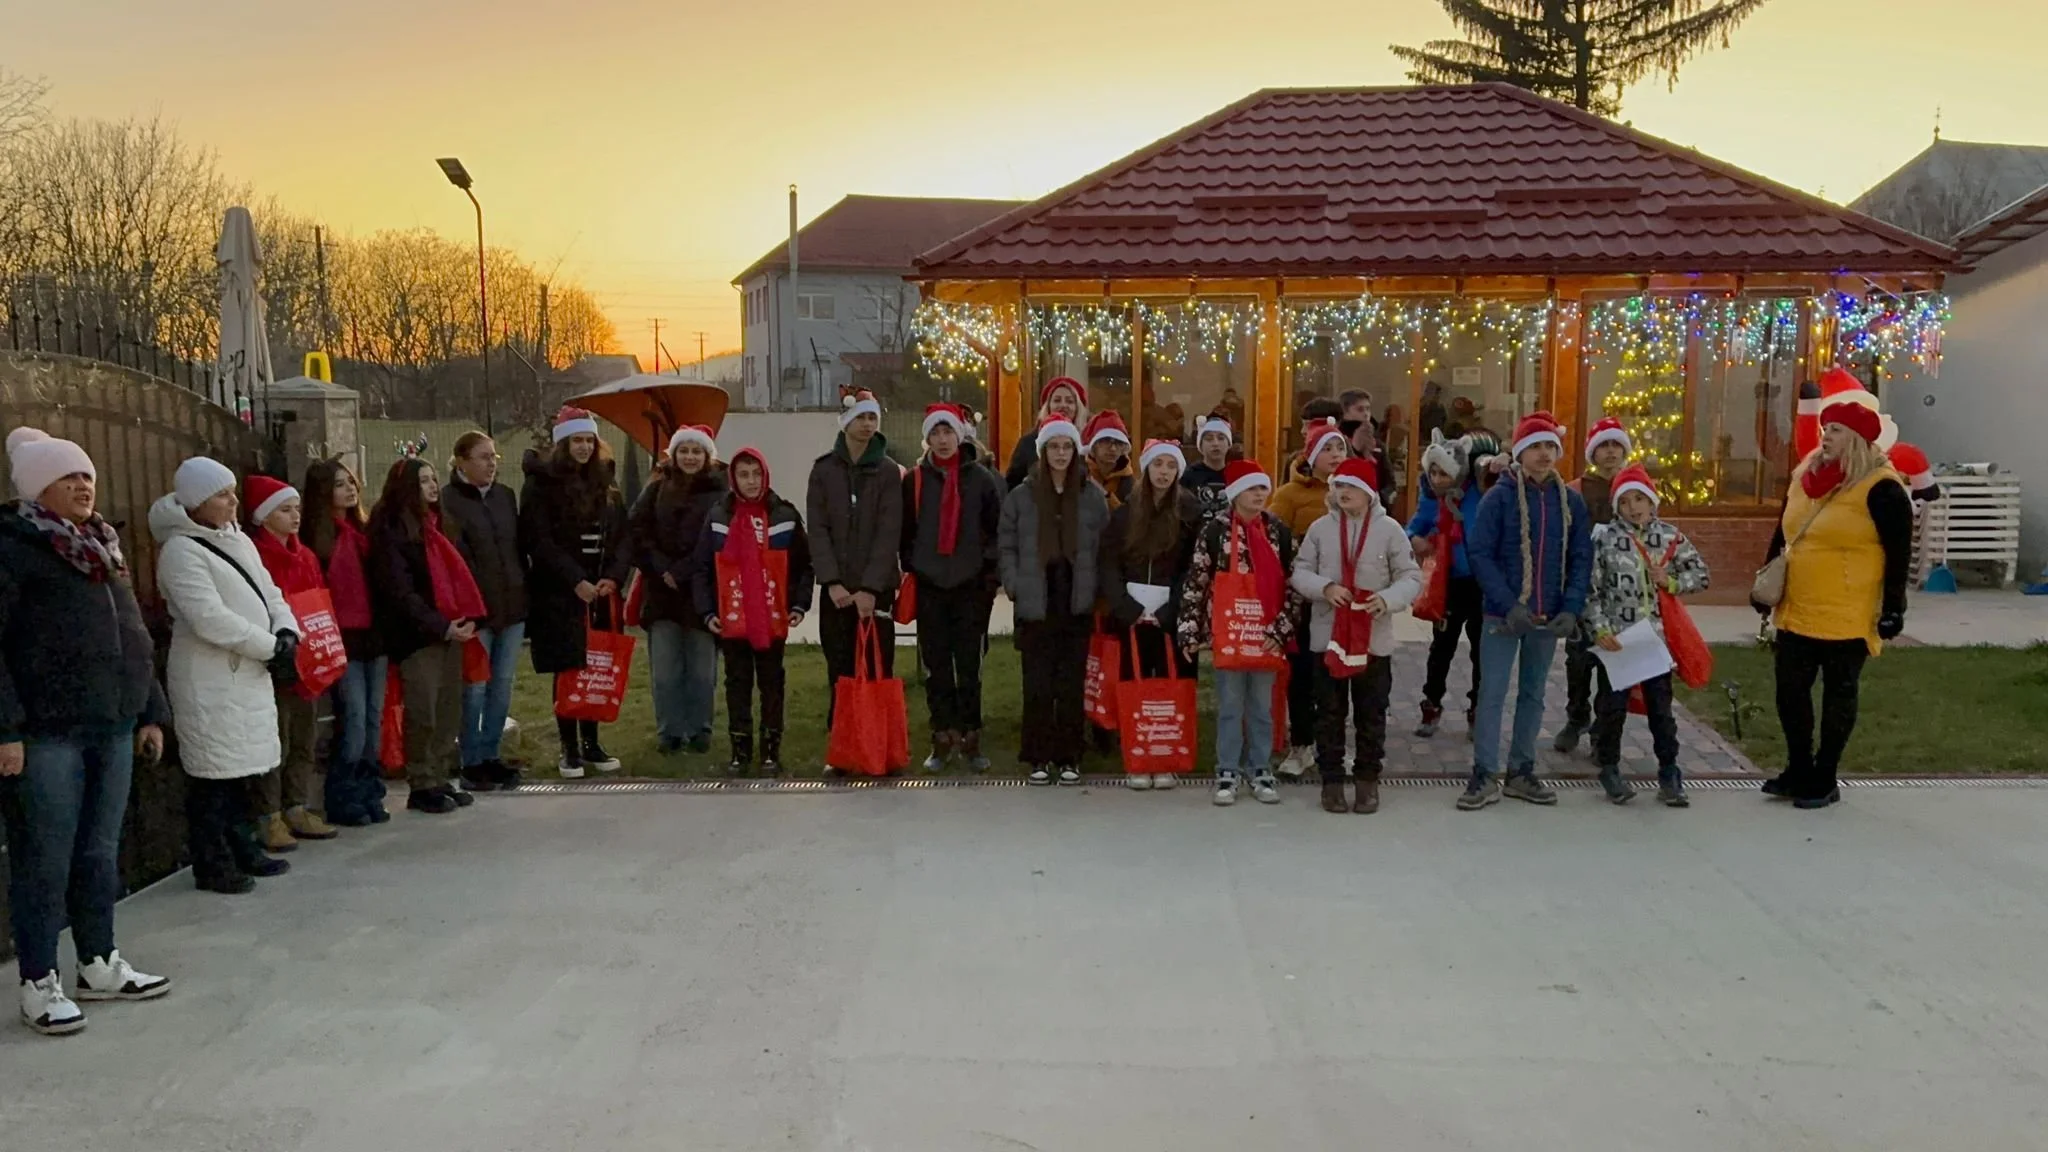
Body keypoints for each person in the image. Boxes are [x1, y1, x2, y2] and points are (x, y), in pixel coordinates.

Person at [2, 429, 172, 1036]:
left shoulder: (102, 544)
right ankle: (39, 980)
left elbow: (133, 633)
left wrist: (149, 708)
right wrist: (7, 729)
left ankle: (98, 962)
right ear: (36, 488)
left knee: (99, 853)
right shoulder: (14, 546)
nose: (82, 485)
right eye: (67, 477)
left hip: (114, 722)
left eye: (86, 476)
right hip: (47, 733)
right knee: (43, 857)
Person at [150, 457, 300, 893]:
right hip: (212, 676)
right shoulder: (180, 551)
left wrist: (287, 629)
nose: (233, 501)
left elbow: (269, 592)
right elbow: (209, 618)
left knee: (244, 771)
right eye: (221, 494)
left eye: (232, 491)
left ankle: (244, 844)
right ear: (197, 502)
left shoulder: (238, 540)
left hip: (248, 671)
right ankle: (213, 861)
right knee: (213, 776)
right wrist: (270, 647)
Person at [1757, 402, 1912, 809]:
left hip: (1847, 611)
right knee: (1790, 691)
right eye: (1826, 428)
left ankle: (1824, 776)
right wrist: (1764, 584)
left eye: (1838, 430)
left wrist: (1894, 607)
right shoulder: (1804, 477)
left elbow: (1899, 554)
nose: (1827, 436)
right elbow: (1783, 531)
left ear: (1858, 439)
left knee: (1838, 694)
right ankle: (1798, 768)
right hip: (1797, 604)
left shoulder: (1882, 487)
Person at [1461, 412, 1593, 811]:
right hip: (1503, 617)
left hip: (1548, 617)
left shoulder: (1569, 501)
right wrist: (1507, 604)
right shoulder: (1498, 497)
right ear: (1519, 452)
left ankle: (1521, 770)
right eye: (1535, 446)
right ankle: (1484, 773)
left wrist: (1571, 607)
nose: (1544, 454)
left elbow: (1580, 556)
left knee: (1533, 694)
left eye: (1550, 446)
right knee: (1493, 694)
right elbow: (1481, 554)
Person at [1290, 457, 1422, 814]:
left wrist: (1387, 599)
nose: (1342, 492)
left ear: (1367, 493)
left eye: (1350, 486)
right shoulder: (1320, 529)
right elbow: (1299, 572)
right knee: (1329, 711)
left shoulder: (1390, 529)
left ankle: (1367, 779)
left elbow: (1410, 576)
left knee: (1371, 711)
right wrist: (1325, 587)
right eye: (1338, 486)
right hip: (1327, 636)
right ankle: (1331, 780)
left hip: (1372, 639)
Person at [1582, 465, 1710, 807]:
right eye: (1625, 502)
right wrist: (1600, 628)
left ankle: (1669, 771)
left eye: (1640, 498)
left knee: (1661, 710)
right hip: (1619, 641)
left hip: (1655, 642)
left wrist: (1671, 581)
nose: (1633, 507)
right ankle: (1609, 767)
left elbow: (1700, 574)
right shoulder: (1605, 539)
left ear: (1652, 501)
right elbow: (1590, 590)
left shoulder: (1670, 537)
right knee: (1613, 709)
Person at [1177, 459, 1301, 807]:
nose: (1259, 494)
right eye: (1251, 488)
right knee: (1231, 704)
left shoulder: (1279, 532)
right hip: (1228, 635)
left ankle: (1260, 768)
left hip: (1265, 635)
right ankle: (1227, 769)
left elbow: (1294, 585)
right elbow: (1196, 582)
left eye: (1263, 487)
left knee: (1262, 706)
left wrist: (1281, 629)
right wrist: (1189, 629)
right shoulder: (1214, 532)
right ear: (1234, 494)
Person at [369, 457, 487, 814]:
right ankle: (421, 782)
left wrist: (464, 620)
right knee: (424, 711)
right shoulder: (392, 530)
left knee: (447, 708)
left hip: (451, 631)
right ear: (407, 487)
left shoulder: (437, 527)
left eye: (434, 479)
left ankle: (438, 777)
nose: (433, 487)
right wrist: (439, 625)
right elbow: (400, 592)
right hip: (417, 636)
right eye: (423, 481)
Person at [999, 414, 1109, 785]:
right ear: (1042, 451)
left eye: (1067, 447)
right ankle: (1038, 755)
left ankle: (1069, 755)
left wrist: (1095, 590)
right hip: (1036, 596)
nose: (1061, 453)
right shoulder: (1023, 495)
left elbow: (1103, 547)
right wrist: (1013, 583)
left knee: (1070, 681)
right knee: (1038, 681)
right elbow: (1007, 544)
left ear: (1076, 451)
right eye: (1054, 447)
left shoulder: (1091, 495)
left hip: (1074, 598)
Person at [522, 407, 632, 778]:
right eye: (577, 441)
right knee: (568, 667)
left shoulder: (607, 483)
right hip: (560, 591)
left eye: (589, 440)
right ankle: (568, 748)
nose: (584, 447)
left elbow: (622, 537)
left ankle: (592, 743)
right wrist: (574, 580)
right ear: (563, 443)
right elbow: (539, 540)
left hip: (600, 590)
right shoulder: (541, 485)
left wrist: (613, 577)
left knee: (596, 665)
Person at [901, 404, 1003, 773]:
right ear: (927, 438)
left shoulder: (982, 480)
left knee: (969, 666)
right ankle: (941, 736)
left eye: (948, 433)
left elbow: (996, 531)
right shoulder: (913, 480)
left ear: (959, 436)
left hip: (971, 587)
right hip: (931, 586)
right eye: (935, 434)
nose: (942, 441)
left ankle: (971, 736)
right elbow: (905, 532)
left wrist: (987, 578)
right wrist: (914, 565)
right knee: (937, 666)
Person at [1099, 438, 1202, 791]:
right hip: (1131, 616)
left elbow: (1193, 568)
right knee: (1134, 687)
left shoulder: (1190, 513)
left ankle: (1167, 757)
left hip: (1169, 616)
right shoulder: (1125, 513)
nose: (1163, 472)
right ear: (1147, 468)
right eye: (1157, 465)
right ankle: (1138, 757)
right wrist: (1125, 608)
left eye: (1170, 466)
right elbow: (1108, 563)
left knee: (1170, 687)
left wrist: (1172, 609)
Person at [245, 474, 339, 847]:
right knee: (277, 738)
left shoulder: (306, 556)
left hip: (309, 658)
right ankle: (269, 815)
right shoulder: (257, 555)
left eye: (296, 508)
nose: (294, 516)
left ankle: (297, 805)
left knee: (305, 734)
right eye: (285, 510)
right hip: (278, 658)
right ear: (264, 516)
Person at [807, 389, 903, 736]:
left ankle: (878, 742)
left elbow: (888, 532)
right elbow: (817, 529)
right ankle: (843, 742)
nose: (866, 425)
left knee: (877, 666)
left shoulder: (889, 471)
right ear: (846, 423)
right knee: (840, 669)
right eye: (860, 418)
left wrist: (870, 589)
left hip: (875, 591)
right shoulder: (823, 470)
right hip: (837, 592)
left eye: (872, 418)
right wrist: (832, 581)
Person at [301, 459, 389, 826]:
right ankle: (342, 794)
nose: (350, 489)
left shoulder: (364, 532)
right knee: (352, 719)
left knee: (372, 719)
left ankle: (370, 791)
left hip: (374, 635)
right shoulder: (319, 538)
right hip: (342, 638)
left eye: (351, 482)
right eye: (340, 484)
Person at [629, 424, 726, 756]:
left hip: (702, 593)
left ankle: (700, 730)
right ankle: (670, 731)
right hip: (662, 593)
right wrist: (661, 567)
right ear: (674, 454)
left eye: (696, 451)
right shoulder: (655, 489)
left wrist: (685, 569)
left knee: (702, 670)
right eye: (684, 450)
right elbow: (637, 532)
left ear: (707, 456)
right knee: (666, 670)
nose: (689, 457)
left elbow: (721, 540)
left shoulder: (721, 493)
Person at [442, 431, 528, 789]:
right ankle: (471, 759)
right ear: (461, 461)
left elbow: (516, 548)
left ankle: (492, 755)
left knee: (502, 686)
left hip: (512, 607)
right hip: (476, 612)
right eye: (482, 457)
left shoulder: (505, 496)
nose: (491, 463)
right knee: (474, 688)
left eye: (494, 457)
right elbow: (455, 559)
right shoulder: (448, 501)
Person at [1270, 416, 1349, 779]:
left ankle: (1332, 745)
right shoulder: (1290, 495)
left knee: (1339, 675)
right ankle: (1301, 744)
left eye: (1340, 448)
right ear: (1311, 455)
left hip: (1343, 602)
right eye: (1327, 449)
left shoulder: (1353, 489)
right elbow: (1272, 541)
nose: (1335, 455)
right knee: (1302, 675)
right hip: (1303, 600)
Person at [1555, 416, 1633, 755]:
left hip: (1620, 591)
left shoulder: (1633, 489)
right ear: (1593, 453)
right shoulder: (1575, 489)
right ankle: (1577, 716)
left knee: (1611, 661)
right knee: (1578, 658)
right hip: (1583, 586)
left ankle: (1605, 727)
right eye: (1605, 446)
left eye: (1617, 445)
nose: (1611, 452)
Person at [1407, 431, 1487, 739]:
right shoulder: (1431, 499)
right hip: (1448, 585)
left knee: (1482, 651)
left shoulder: (1477, 492)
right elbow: (1413, 527)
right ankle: (1432, 703)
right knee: (1442, 648)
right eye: (1434, 472)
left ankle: (1478, 708)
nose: (1439, 479)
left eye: (1444, 472)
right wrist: (1415, 539)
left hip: (1480, 583)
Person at [1005, 376, 1089, 490]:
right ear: (1048, 406)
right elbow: (1012, 485)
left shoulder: (1086, 443)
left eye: (1070, 401)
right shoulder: (1028, 443)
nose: (1063, 405)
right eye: (1057, 400)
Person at [1182, 414, 1235, 519]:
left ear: (1229, 444)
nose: (1215, 443)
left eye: (1221, 438)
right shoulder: (1189, 475)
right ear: (1200, 445)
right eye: (1209, 439)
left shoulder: (1236, 474)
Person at [1081, 411, 1135, 510]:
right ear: (1094, 446)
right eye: (1106, 441)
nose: (1113, 448)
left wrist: (1107, 497)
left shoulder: (1128, 482)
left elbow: (1129, 517)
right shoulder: (1080, 473)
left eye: (1118, 443)